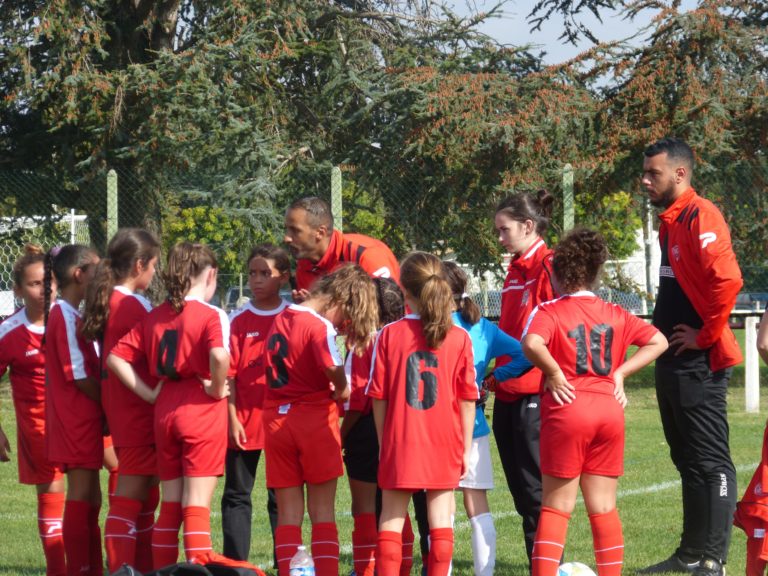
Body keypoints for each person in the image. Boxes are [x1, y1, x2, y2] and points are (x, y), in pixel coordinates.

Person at [522, 228, 668, 576]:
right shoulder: (615, 312)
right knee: (603, 506)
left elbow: (531, 343)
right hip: (608, 409)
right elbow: (659, 341)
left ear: (557, 273)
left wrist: (554, 372)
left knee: (556, 506)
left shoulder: (550, 310)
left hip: (568, 407)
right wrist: (620, 373)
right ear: (595, 272)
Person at [639, 137, 743, 576]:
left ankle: (713, 560)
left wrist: (706, 335)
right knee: (685, 460)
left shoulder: (702, 214)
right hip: (672, 359)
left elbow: (728, 280)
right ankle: (689, 554)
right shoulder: (670, 222)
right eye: (644, 173)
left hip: (698, 363)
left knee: (710, 461)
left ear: (680, 174)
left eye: (654, 173)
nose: (645, 181)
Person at [107, 241, 230, 568]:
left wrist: (149, 394)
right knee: (196, 504)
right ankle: (196, 569)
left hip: (165, 410)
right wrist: (217, 387)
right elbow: (219, 356)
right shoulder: (210, 314)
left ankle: (163, 572)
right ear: (211, 274)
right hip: (199, 407)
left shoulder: (156, 315)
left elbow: (115, 358)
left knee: (171, 504)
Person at [263, 263, 379, 576]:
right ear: (342, 299)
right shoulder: (319, 326)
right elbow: (332, 367)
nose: (342, 325)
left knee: (288, 514)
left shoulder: (281, 317)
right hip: (313, 419)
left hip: (276, 420)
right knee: (322, 511)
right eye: (346, 316)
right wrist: (343, 388)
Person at [367, 252, 477, 576]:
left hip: (402, 440)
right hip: (445, 442)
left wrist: (385, 442)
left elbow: (378, 397)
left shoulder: (389, 334)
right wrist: (465, 449)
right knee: (441, 521)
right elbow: (468, 399)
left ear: (404, 289)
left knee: (390, 519)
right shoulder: (459, 337)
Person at [442, 261, 533, 576]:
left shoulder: (431, 327)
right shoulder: (482, 327)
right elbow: (526, 353)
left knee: (441, 506)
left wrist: (493, 379)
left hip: (436, 427)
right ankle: (485, 572)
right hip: (474, 427)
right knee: (476, 504)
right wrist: (492, 379)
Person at [81, 228, 161, 573]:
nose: (155, 272)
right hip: (137, 410)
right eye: (154, 265)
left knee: (144, 493)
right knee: (130, 495)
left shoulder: (113, 300)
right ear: (139, 265)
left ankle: (139, 567)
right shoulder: (131, 305)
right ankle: (122, 568)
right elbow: (132, 357)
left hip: (123, 407)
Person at [491, 189, 557, 568]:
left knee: (535, 491)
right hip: (506, 391)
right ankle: (539, 562)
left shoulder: (549, 266)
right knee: (520, 491)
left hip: (535, 393)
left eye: (505, 230)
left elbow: (557, 331)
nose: (500, 238)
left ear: (528, 226)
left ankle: (546, 564)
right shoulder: (514, 270)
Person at [0, 244, 66, 576]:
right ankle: (58, 571)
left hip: (83, 419)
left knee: (117, 473)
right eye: (35, 284)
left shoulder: (73, 320)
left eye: (49, 282)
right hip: (40, 426)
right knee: (52, 494)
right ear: (18, 290)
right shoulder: (9, 332)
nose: (45, 290)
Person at [221, 244, 289, 563]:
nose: (257, 279)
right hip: (244, 420)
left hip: (282, 421)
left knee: (281, 495)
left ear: (283, 277)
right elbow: (229, 376)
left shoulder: (293, 317)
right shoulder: (237, 320)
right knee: (237, 494)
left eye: (265, 273)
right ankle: (235, 564)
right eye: (252, 273)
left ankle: (285, 560)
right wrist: (232, 417)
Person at [43, 244, 103, 576]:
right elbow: (79, 376)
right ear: (80, 274)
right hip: (74, 420)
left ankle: (92, 567)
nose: (101, 275)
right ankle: (79, 568)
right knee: (81, 496)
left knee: (92, 499)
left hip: (84, 419)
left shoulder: (73, 314)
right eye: (96, 269)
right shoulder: (62, 315)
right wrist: (109, 404)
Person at [340, 277, 406, 576]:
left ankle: (365, 570)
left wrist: (341, 435)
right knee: (395, 507)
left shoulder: (364, 341)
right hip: (401, 426)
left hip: (366, 428)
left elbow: (357, 399)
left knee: (364, 507)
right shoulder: (405, 336)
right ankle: (400, 567)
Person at [284, 196, 400, 300]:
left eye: (295, 231)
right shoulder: (305, 262)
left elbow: (390, 309)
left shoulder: (366, 255)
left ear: (320, 232)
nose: (287, 238)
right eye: (287, 229)